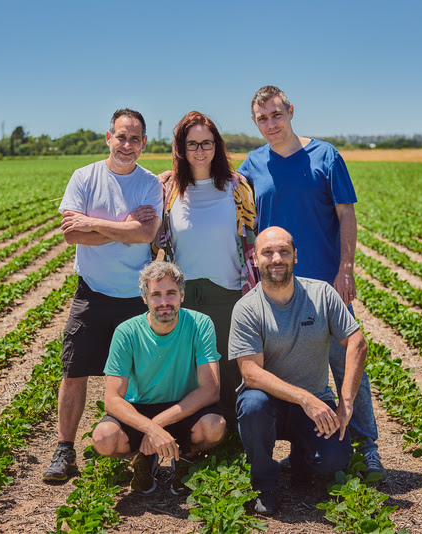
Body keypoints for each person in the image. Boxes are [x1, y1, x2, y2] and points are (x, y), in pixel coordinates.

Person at [236, 85, 384, 478]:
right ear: (255, 122)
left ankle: (367, 447)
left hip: (325, 288)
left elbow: (346, 213)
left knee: (347, 364)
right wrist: (172, 172)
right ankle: (290, 448)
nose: (271, 123)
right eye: (263, 118)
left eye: (277, 114)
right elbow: (218, 186)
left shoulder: (325, 155)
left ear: (290, 111)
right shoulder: (251, 165)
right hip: (275, 291)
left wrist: (346, 268)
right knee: (279, 370)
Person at [42, 109, 163, 484]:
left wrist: (94, 223)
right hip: (91, 293)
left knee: (143, 377)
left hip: (135, 297)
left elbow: (146, 236)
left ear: (144, 143)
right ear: (108, 137)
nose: (127, 145)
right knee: (74, 370)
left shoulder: (149, 183)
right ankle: (64, 450)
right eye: (121, 137)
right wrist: (126, 226)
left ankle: (146, 450)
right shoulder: (84, 177)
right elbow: (71, 236)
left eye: (135, 139)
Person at [229, 227, 367, 515]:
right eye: (268, 252)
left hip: (315, 403)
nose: (276, 258)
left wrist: (346, 400)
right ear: (256, 259)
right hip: (269, 406)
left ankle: (301, 458)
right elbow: (251, 373)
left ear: (295, 256)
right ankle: (265, 484)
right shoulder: (247, 308)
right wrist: (304, 398)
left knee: (334, 461)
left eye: (284, 252)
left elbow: (356, 341)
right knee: (253, 405)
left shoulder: (322, 294)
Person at [154, 111, 257, 429]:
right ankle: (191, 434)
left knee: (230, 369)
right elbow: (155, 239)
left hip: (227, 291)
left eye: (207, 143)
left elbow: (252, 237)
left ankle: (232, 437)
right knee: (188, 369)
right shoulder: (168, 190)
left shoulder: (237, 186)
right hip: (184, 295)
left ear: (217, 145)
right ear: (181, 149)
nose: (200, 150)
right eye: (192, 144)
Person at [92, 261, 226, 495]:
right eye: (156, 295)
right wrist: (149, 428)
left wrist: (156, 425)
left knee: (214, 427)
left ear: (182, 295)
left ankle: (184, 457)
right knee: (104, 438)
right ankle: (145, 456)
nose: (164, 302)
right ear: (144, 298)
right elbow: (112, 400)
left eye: (171, 293)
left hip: (184, 407)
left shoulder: (200, 324)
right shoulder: (126, 332)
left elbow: (210, 390)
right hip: (139, 408)